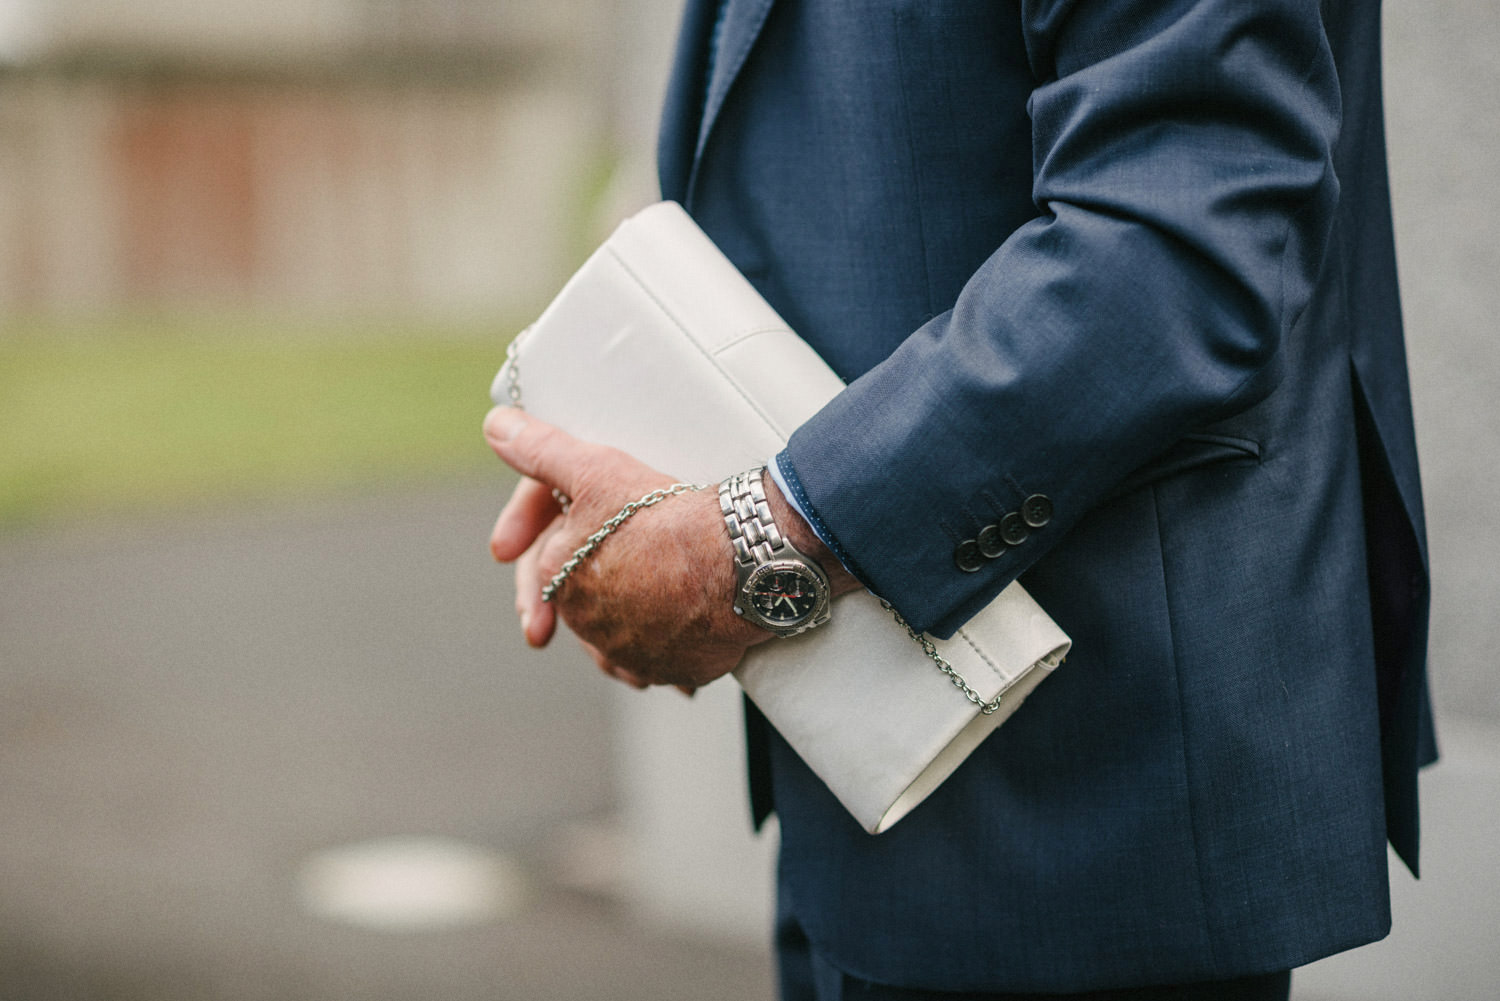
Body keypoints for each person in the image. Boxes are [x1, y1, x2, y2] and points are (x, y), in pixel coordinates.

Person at [483, 0, 1435, 998]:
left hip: (1095, 800)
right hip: (854, 775)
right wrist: (656, 454)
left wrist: (746, 547)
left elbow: (1181, 238)